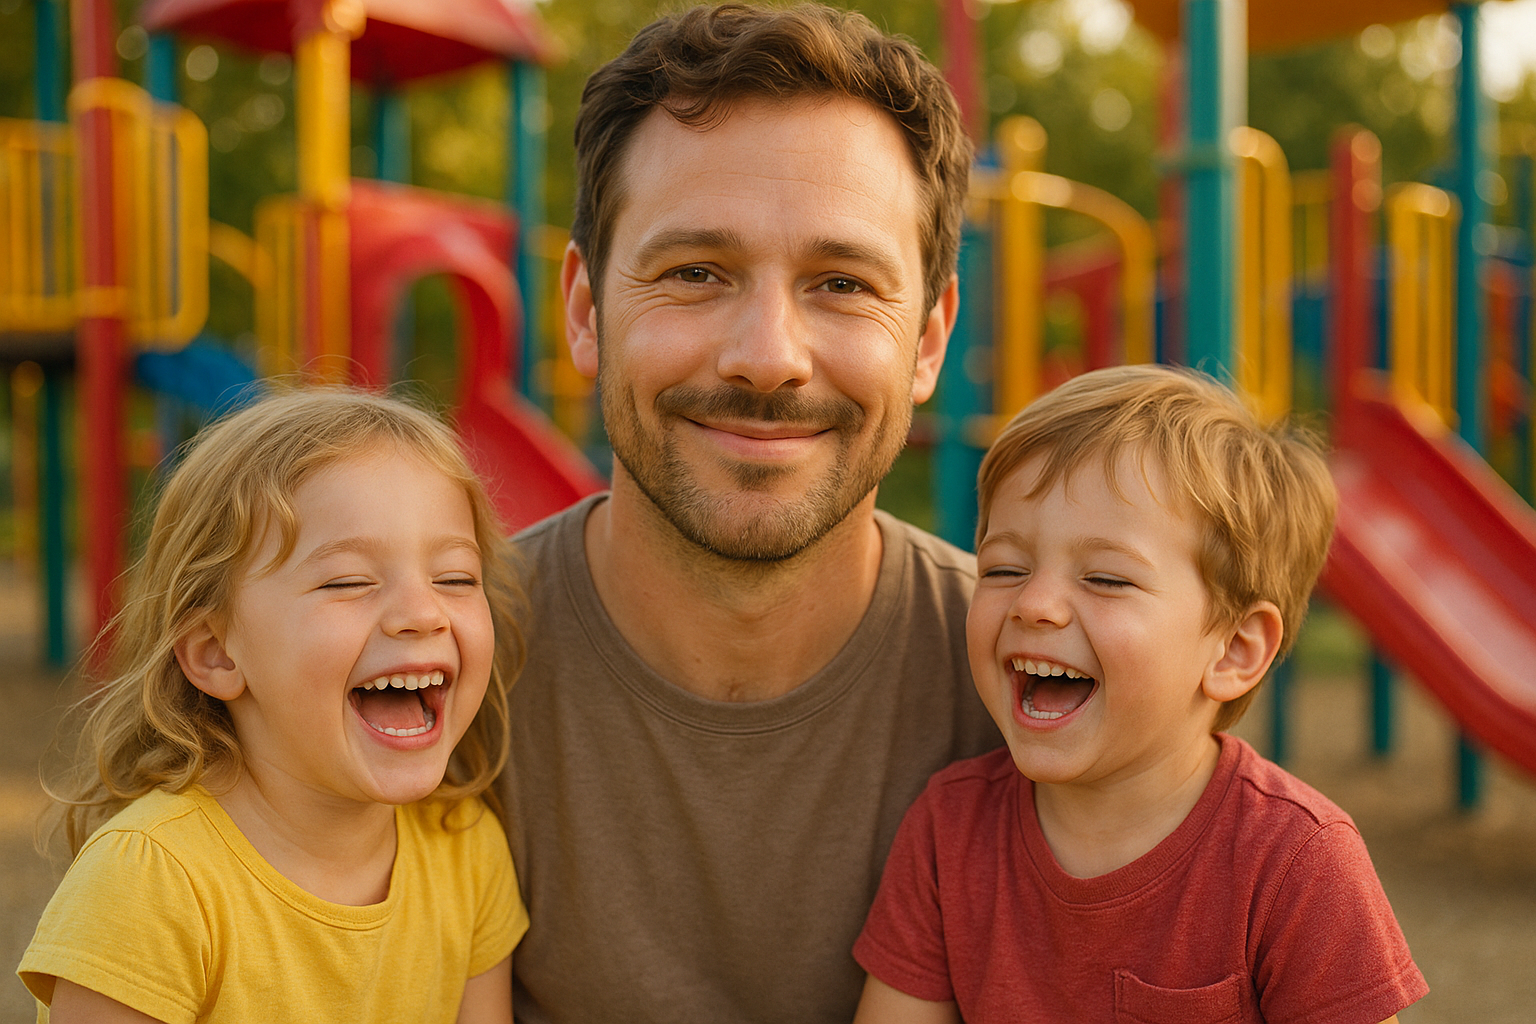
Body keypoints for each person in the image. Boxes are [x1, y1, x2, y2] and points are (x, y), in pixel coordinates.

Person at [499, 4, 999, 1022]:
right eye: (694, 273)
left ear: (929, 340)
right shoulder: (424, 673)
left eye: (842, 283)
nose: (767, 355)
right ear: (587, 309)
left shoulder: (1039, 690)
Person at [851, 364, 1429, 1023]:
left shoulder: (1298, 862)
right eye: (1005, 568)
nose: (1035, 604)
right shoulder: (947, 831)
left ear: (1234, 650)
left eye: (1105, 578)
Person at [19, 389, 527, 1023]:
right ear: (215, 654)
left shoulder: (466, 849)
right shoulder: (150, 882)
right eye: (347, 581)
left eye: (455, 578)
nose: (423, 613)